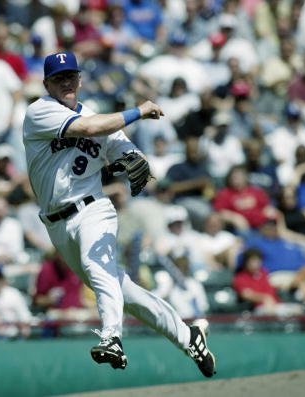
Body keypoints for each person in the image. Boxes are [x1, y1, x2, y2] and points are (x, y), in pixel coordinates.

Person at [22, 52, 215, 375]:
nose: (66, 83)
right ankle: (188, 335)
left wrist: (136, 158)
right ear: (47, 84)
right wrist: (139, 111)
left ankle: (112, 337)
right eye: (59, 78)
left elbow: (127, 152)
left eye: (71, 76)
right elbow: (89, 126)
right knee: (124, 291)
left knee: (96, 267)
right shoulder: (40, 111)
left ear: (80, 80)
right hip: (56, 224)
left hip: (93, 209)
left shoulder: (103, 119)